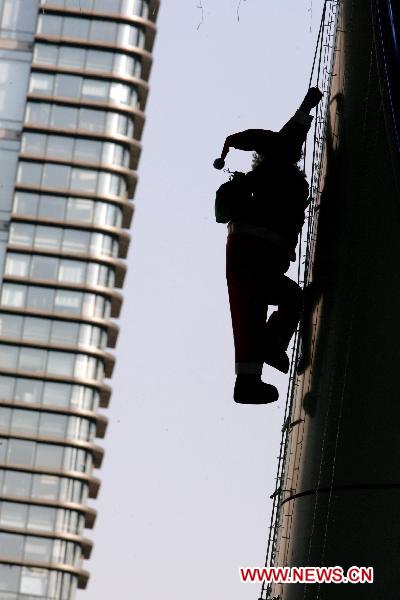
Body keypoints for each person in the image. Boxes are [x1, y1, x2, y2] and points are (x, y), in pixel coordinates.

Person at [213, 87, 323, 405]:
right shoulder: (270, 178)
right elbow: (290, 137)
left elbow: (289, 136)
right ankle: (262, 357)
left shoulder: (265, 177)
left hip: (253, 257)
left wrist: (306, 106)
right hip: (253, 256)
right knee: (259, 307)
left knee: (261, 307)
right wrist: (306, 106)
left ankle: (261, 359)